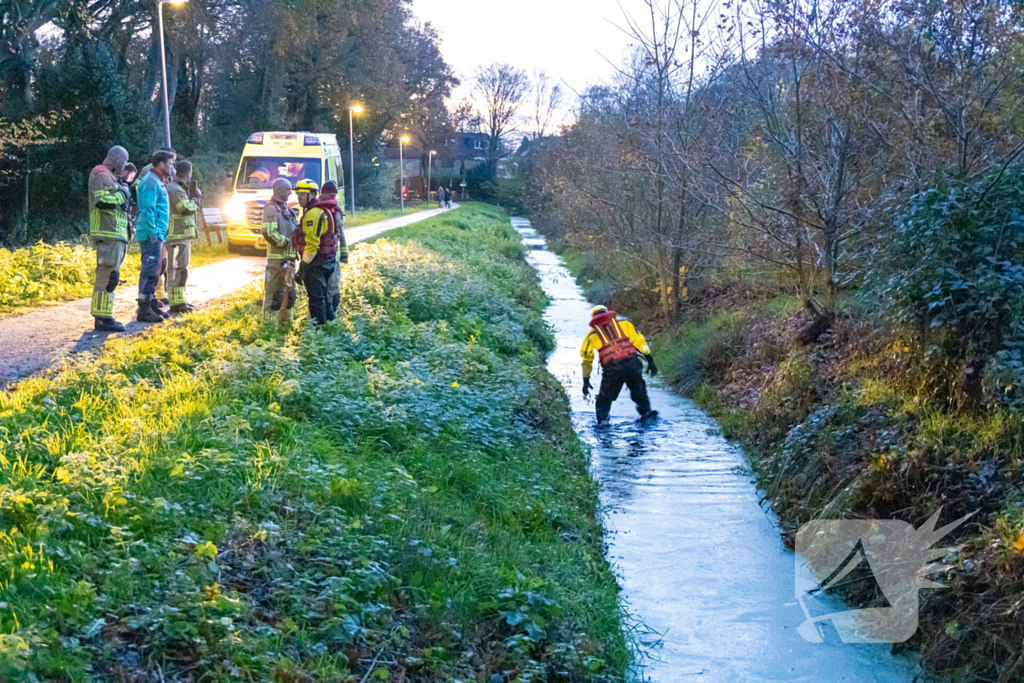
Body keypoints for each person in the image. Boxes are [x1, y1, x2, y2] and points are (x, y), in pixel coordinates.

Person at [580, 305, 658, 424]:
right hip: (632, 363)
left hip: (612, 369)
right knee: (638, 390)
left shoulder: (591, 335)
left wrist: (586, 380)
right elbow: (640, 341)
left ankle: (603, 423)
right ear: (608, 313)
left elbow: (587, 358)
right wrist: (649, 359)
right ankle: (646, 414)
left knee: (604, 399)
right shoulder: (625, 324)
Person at [87, 146, 132, 332]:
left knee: (110, 275)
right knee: (107, 275)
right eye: (125, 161)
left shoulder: (109, 176)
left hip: (113, 232)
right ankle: (103, 319)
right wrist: (121, 195)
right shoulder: (103, 175)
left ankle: (105, 316)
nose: (126, 166)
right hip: (108, 232)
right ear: (119, 159)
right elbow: (102, 200)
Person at [293, 179, 342, 325]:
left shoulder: (313, 213)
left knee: (316, 299)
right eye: (298, 195)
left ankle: (318, 333)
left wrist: (303, 267)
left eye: (302, 195)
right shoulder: (324, 210)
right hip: (327, 261)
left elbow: (312, 244)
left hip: (316, 263)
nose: (299, 198)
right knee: (324, 296)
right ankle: (331, 324)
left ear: (312, 194)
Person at [135, 150, 175, 323]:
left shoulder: (158, 181)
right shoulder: (151, 181)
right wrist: (153, 231)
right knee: (150, 270)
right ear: (160, 164)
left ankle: (150, 304)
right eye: (170, 164)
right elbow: (148, 208)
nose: (172, 167)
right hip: (151, 233)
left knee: (155, 270)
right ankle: (143, 309)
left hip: (157, 233)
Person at [262, 177, 299, 325]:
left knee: (289, 295)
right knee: (275, 296)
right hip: (277, 261)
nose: (290, 192)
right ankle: (269, 329)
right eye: (288, 189)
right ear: (278, 190)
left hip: (290, 261)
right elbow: (268, 232)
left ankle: (286, 327)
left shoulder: (288, 209)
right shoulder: (271, 208)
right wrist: (286, 242)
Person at [166, 159, 200, 313]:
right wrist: (195, 199)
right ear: (188, 173)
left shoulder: (179, 188)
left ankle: (179, 300)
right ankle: (176, 303)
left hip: (181, 234)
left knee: (180, 269)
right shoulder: (175, 189)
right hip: (177, 235)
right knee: (178, 269)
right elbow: (185, 209)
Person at [318, 181, 348, 318]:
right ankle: (316, 324)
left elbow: (341, 234)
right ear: (322, 194)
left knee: (334, 292)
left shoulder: (337, 211)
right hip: (319, 260)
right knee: (318, 295)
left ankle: (331, 321)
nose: (333, 199)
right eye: (330, 195)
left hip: (333, 259)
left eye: (335, 196)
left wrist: (344, 255)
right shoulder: (315, 210)